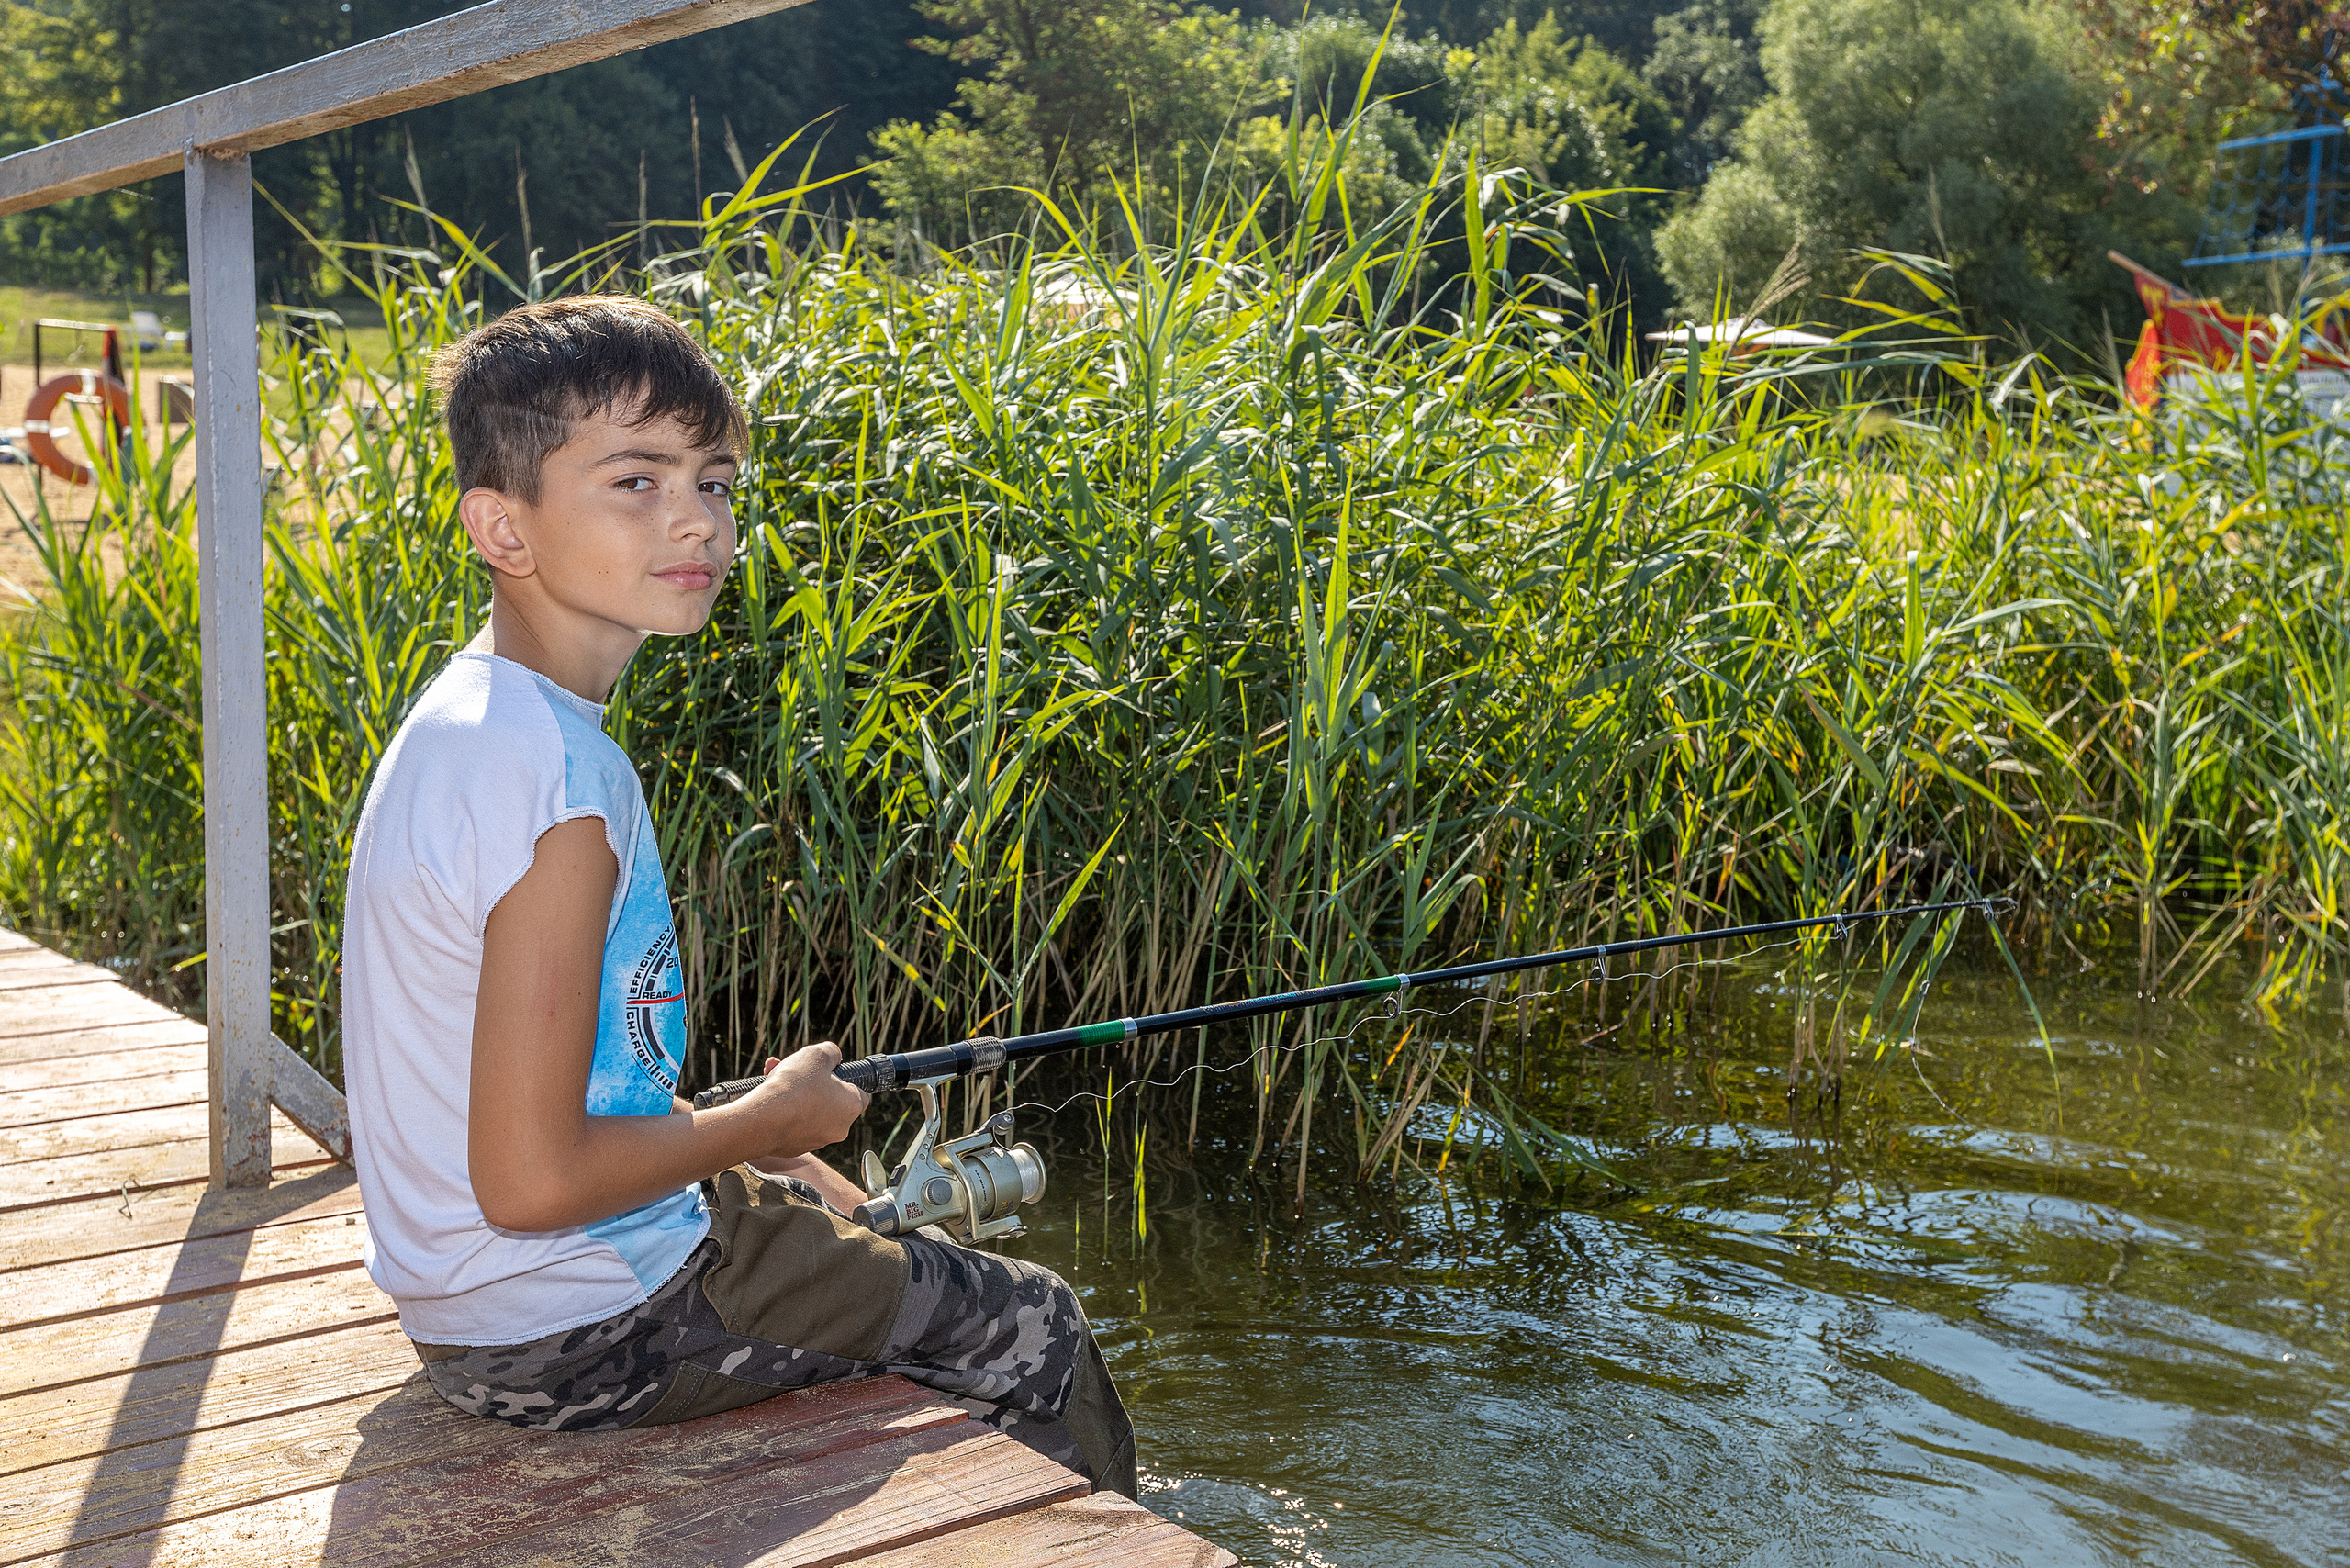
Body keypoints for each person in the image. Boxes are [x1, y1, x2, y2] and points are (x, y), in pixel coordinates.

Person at [340, 295, 1134, 1493]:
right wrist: (768, 1124)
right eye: (635, 482)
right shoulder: (562, 791)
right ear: (504, 528)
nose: (696, 519)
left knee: (855, 1222)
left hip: (481, 1311)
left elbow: (548, 1102)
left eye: (712, 482)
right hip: (582, 1334)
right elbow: (533, 1182)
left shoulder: (475, 723)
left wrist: (747, 1144)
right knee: (1038, 1326)